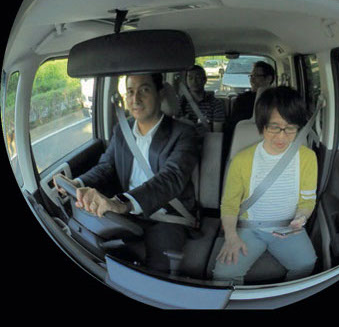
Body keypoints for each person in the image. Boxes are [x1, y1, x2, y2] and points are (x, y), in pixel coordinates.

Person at [54, 72, 200, 273]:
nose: (135, 99)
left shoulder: (184, 133)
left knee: (156, 271)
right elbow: (106, 167)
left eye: (144, 90)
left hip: (165, 215)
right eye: (130, 92)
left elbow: (171, 178)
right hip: (127, 213)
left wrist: (122, 202)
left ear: (160, 94)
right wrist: (78, 183)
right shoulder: (122, 130)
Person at [213, 86, 318, 284]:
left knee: (306, 264)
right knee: (223, 276)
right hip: (250, 228)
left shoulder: (308, 158)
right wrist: (231, 236)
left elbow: (307, 200)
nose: (282, 136)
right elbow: (229, 204)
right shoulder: (241, 160)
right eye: (274, 127)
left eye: (290, 128)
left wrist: (301, 218)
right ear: (262, 126)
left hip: (287, 228)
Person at [179, 64, 226, 129]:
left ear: (205, 80)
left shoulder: (216, 104)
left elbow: (217, 132)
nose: (194, 81)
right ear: (186, 81)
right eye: (190, 78)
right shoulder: (181, 103)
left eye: (198, 77)